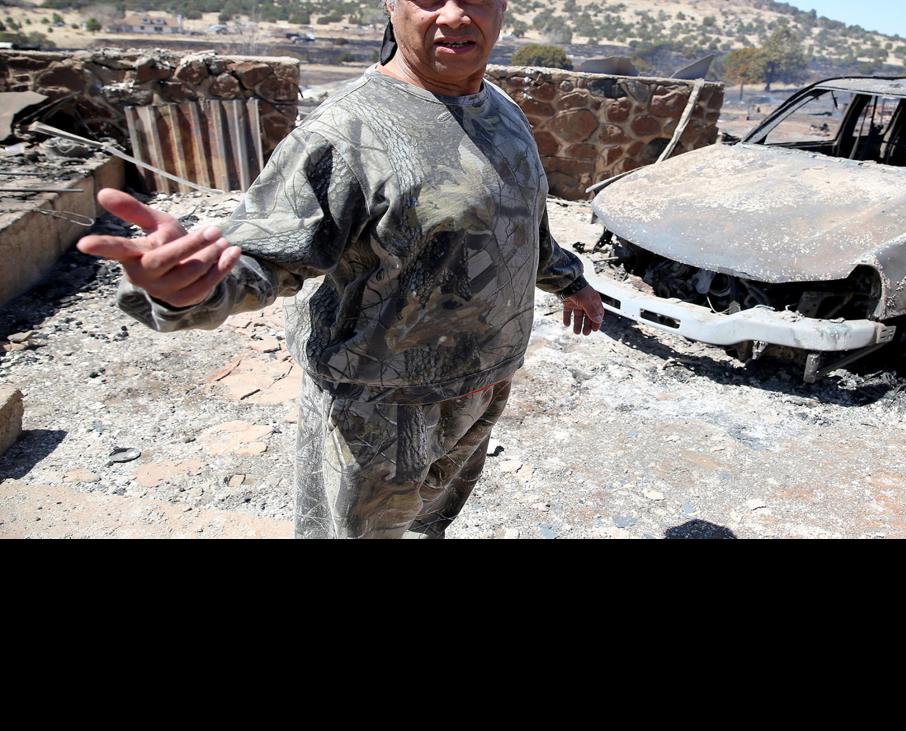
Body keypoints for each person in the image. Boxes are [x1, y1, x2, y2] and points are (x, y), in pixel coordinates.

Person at [77, 0, 603, 538]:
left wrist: (571, 281)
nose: (453, 15)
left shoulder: (500, 108)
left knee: (428, 527)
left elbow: (521, 225)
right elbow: (264, 256)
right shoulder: (345, 130)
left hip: (483, 383)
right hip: (379, 411)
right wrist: (190, 287)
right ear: (391, 5)